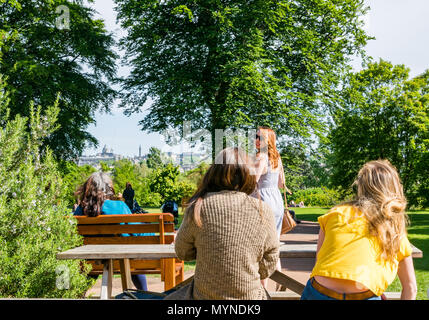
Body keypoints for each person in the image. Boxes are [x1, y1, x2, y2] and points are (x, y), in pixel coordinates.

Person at [301, 160, 417, 300]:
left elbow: (320, 261)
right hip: (363, 296)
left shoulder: (335, 214)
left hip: (319, 291)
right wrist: (370, 289)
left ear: (361, 185)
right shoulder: (393, 227)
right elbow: (411, 287)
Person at [174, 147, 279, 299]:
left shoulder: (198, 207)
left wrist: (210, 252)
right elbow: (271, 257)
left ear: (214, 172)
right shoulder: (263, 210)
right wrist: (250, 269)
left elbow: (182, 252)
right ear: (248, 175)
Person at [74, 172, 148, 291]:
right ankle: (144, 293)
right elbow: (138, 233)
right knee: (132, 257)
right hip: (122, 261)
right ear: (109, 189)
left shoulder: (81, 209)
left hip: (91, 261)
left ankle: (79, 294)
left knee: (93, 257)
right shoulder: (120, 206)